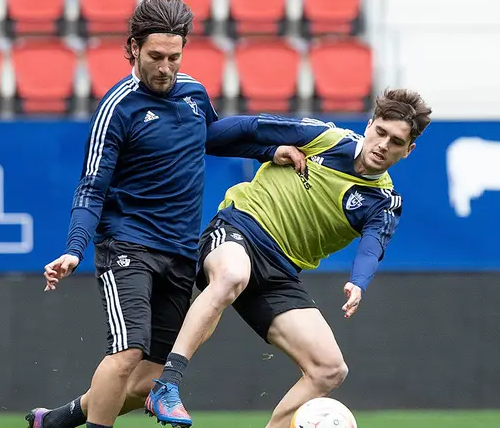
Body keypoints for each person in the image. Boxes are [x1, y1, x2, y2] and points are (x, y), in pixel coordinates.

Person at [24, 0, 304, 428]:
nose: (165, 67)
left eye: (174, 57)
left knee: (146, 382)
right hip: (128, 246)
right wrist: (74, 249)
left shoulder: (192, 93)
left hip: (179, 253)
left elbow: (210, 136)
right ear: (133, 49)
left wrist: (272, 148)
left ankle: (59, 420)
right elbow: (91, 187)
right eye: (156, 57)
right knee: (128, 352)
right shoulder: (117, 108)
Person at [145, 89, 433, 428]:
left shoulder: (383, 201)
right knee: (232, 275)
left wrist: (358, 282)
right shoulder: (326, 138)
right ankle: (168, 384)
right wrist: (265, 148)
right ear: (369, 125)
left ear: (408, 150)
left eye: (396, 141)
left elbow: (372, 245)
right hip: (240, 229)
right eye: (381, 132)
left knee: (330, 369)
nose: (383, 144)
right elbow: (251, 128)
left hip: (280, 273)